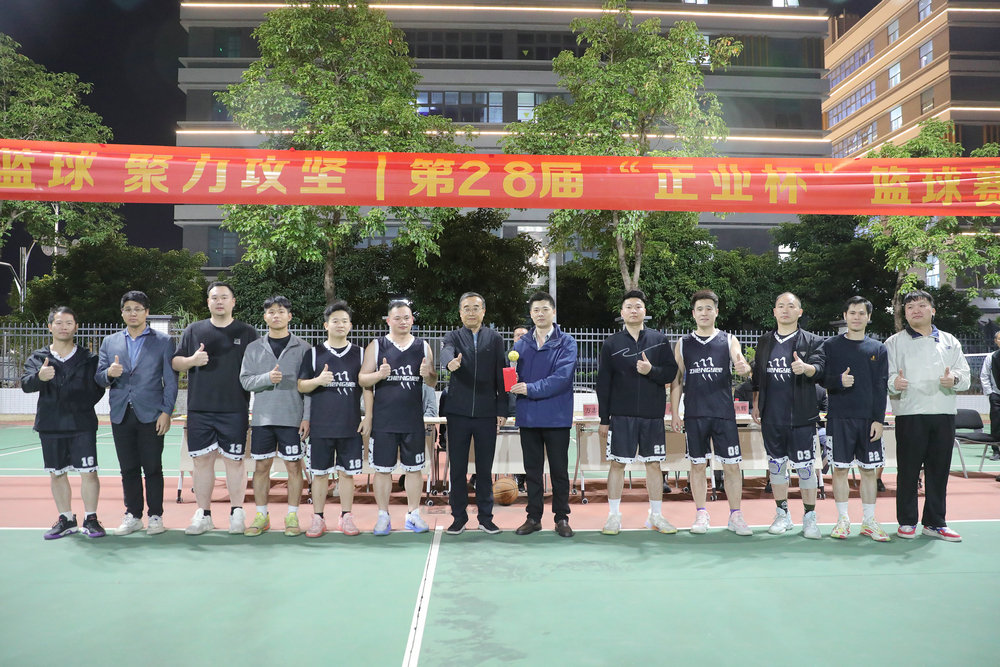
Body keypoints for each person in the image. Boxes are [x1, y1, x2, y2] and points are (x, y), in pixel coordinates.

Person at [173, 281, 259, 535]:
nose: (219, 301)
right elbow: (176, 362)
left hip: (235, 408)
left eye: (224, 297)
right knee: (201, 462)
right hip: (200, 409)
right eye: (214, 297)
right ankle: (204, 513)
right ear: (208, 302)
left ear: (233, 302)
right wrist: (192, 360)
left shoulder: (247, 332)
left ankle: (237, 512)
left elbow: (258, 368)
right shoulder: (194, 330)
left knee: (235, 462)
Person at [886, 289, 970, 542]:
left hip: (943, 413)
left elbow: (965, 376)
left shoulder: (949, 341)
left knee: (938, 471)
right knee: (908, 471)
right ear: (905, 313)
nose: (916, 310)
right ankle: (907, 521)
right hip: (910, 413)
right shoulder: (894, 342)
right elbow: (886, 376)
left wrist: (954, 379)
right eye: (910, 307)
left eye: (922, 305)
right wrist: (894, 383)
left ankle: (935, 522)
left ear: (933, 310)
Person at [669, 289, 753, 536]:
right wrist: (675, 414)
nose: (704, 313)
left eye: (708, 308)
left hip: (723, 414)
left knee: (732, 466)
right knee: (697, 466)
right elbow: (677, 381)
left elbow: (741, 364)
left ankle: (735, 515)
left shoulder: (728, 340)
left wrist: (744, 368)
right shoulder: (683, 343)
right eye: (699, 309)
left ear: (716, 311)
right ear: (693, 313)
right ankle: (701, 513)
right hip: (695, 414)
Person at [596, 290, 678, 535]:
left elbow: (671, 373)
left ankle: (656, 516)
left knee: (654, 465)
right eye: (629, 306)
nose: (634, 310)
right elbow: (603, 384)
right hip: (621, 416)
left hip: (652, 416)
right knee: (617, 464)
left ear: (645, 311)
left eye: (638, 306)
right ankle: (613, 516)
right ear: (622, 313)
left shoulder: (659, 340)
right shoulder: (611, 343)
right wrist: (604, 419)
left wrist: (651, 370)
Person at [96, 291, 178, 536]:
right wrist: (109, 373)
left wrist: (166, 411)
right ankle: (133, 515)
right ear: (122, 313)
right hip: (121, 412)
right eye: (128, 309)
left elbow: (170, 381)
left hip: (152, 413)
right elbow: (99, 377)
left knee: (152, 467)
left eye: (138, 309)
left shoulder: (163, 341)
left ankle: (155, 516)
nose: (133, 313)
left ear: (147, 312)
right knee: (128, 468)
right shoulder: (110, 342)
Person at [22, 306, 107, 539]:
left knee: (89, 473)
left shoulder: (89, 359)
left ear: (76, 327)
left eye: (68, 323)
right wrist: (39, 377)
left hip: (82, 425)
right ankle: (66, 519)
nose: (63, 327)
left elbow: (98, 388)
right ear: (50, 326)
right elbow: (26, 384)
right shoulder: (38, 358)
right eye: (58, 323)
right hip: (50, 425)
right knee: (57, 473)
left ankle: (91, 519)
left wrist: (81, 404)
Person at [751, 292, 827, 539]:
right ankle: (782, 514)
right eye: (781, 306)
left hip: (802, 417)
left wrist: (806, 368)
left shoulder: (812, 340)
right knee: (776, 467)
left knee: (805, 469)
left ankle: (810, 516)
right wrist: (756, 404)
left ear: (800, 312)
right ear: (774, 311)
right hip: (771, 417)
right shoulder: (764, 341)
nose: (785, 310)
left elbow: (820, 368)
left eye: (791, 306)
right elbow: (758, 377)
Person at [359, 300, 436, 536]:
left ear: (412, 320)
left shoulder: (423, 346)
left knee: (414, 470)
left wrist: (428, 374)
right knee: (382, 470)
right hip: (384, 420)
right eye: (398, 318)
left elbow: (432, 381)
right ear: (388, 320)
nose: (403, 321)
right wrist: (378, 375)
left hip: (412, 420)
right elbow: (362, 379)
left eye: (407, 317)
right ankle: (383, 515)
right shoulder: (377, 346)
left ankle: (413, 514)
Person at [298, 301, 371, 538]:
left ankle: (346, 516)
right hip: (321, 425)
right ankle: (318, 518)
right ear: (326, 325)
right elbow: (301, 385)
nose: (340, 324)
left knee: (347, 474)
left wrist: (368, 417)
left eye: (344, 321)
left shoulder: (360, 353)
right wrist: (318, 381)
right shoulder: (313, 354)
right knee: (319, 474)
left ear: (350, 326)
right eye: (335, 321)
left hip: (350, 424)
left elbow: (367, 387)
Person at [239, 296, 311, 537]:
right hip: (263, 419)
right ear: (265, 317)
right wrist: (267, 378)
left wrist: (307, 417)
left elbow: (309, 387)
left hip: (293, 419)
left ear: (290, 316)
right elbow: (245, 381)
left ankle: (292, 516)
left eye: (281, 311)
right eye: (271, 311)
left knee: (294, 467)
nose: (276, 315)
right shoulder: (254, 348)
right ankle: (261, 515)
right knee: (261, 467)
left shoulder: (304, 348)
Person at [821, 296, 890, 541]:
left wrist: (878, 420)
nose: (857, 317)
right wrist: (838, 381)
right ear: (845, 316)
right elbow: (820, 378)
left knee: (869, 472)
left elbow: (881, 386)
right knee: (839, 470)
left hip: (868, 421)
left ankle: (869, 521)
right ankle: (842, 520)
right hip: (839, 419)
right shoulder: (830, 346)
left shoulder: (878, 349)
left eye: (862, 313)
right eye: (852, 312)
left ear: (869, 317)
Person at [440, 292, 508, 535]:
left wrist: (503, 408)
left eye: (475, 307)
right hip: (457, 412)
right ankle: (458, 518)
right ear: (460, 313)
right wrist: (450, 363)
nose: (471, 312)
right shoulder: (453, 336)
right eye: (466, 308)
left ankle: (485, 518)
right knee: (457, 469)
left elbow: (502, 373)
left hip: (486, 413)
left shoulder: (495, 338)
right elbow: (446, 351)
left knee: (484, 469)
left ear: (483, 311)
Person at [511, 292, 577, 538]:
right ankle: (533, 517)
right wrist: (510, 380)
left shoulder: (567, 342)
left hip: (557, 416)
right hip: (528, 416)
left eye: (545, 309)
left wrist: (529, 388)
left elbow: (562, 378)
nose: (540, 314)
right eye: (536, 310)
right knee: (532, 471)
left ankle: (561, 518)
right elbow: (514, 377)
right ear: (531, 314)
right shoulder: (520, 345)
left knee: (559, 471)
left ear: (553, 312)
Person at [980, 330, 1000, 461]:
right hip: (996, 396)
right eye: (999, 338)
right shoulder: (991, 357)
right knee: (996, 425)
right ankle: (996, 450)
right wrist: (990, 393)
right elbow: (984, 376)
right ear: (996, 341)